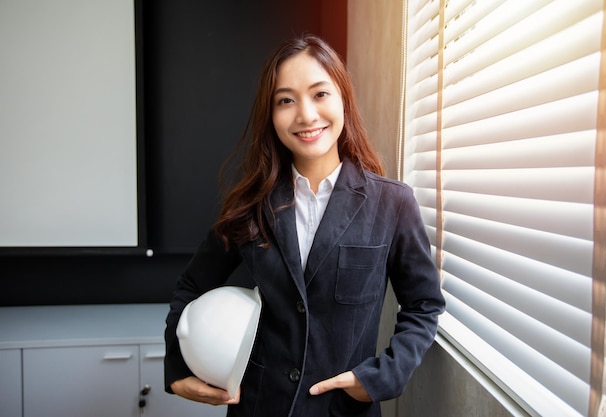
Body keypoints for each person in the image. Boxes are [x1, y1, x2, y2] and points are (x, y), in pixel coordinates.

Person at [164, 34, 445, 417]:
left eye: (320, 94)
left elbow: (423, 304)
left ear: (343, 97)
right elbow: (192, 286)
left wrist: (382, 377)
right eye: (286, 100)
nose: (306, 115)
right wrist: (178, 368)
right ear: (272, 114)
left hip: (343, 410)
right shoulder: (251, 204)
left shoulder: (393, 203)